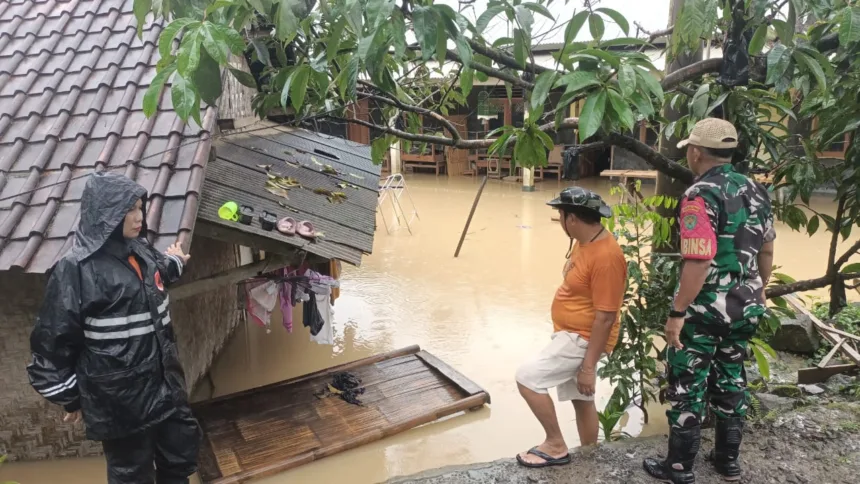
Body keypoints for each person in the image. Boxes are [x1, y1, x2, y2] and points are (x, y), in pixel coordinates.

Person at [27, 172, 200, 484]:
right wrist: (73, 398)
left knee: (179, 460)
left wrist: (175, 263)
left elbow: (155, 278)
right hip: (122, 404)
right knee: (132, 475)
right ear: (106, 215)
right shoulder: (78, 269)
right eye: (130, 210)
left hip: (166, 386)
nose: (139, 216)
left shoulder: (140, 250)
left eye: (140, 207)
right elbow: (51, 344)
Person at [643, 118, 775, 483]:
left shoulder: (699, 195)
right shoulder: (756, 190)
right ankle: (727, 461)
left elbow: (699, 260)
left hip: (705, 310)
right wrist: (759, 288)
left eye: (688, 148)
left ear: (696, 151)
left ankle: (680, 467)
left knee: (688, 383)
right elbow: (766, 251)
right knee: (732, 377)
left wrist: (676, 313)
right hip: (746, 305)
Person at [515, 187, 627, 468]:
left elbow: (605, 317)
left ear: (573, 219)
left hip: (583, 338)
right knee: (581, 397)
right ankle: (589, 456)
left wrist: (588, 367)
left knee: (527, 378)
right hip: (571, 333)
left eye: (561, 214)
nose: (559, 219)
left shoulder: (607, 257)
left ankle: (555, 444)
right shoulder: (585, 240)